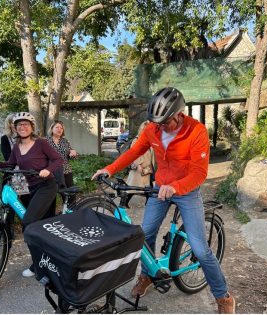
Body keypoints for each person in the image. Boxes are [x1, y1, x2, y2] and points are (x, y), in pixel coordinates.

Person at [92, 87, 235, 314]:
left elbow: (199, 173)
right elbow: (133, 152)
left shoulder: (196, 131)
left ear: (179, 114)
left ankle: (223, 297)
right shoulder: (153, 128)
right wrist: (109, 169)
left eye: (164, 122)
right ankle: (147, 277)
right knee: (145, 235)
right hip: (160, 188)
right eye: (156, 123)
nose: (159, 127)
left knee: (199, 247)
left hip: (187, 191)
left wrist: (176, 187)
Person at [0, 112, 63, 277]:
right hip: (29, 189)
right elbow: (10, 164)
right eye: (19, 125)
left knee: (28, 222)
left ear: (32, 127)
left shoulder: (41, 143)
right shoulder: (16, 146)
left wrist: (47, 170)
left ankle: (38, 265)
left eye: (26, 124)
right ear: (15, 128)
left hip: (46, 186)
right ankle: (43, 259)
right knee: (37, 225)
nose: (22, 127)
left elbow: (58, 160)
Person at [47, 120, 78, 206]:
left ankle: (72, 213)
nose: (59, 129)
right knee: (51, 196)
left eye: (61, 128)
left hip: (66, 171)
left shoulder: (65, 141)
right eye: (57, 127)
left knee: (70, 195)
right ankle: (51, 217)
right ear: (52, 128)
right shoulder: (45, 141)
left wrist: (73, 153)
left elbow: (71, 154)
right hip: (51, 173)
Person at [125, 120, 154, 206]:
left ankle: (148, 203)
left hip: (148, 167)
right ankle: (124, 202)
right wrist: (138, 164)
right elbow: (133, 154)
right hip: (140, 167)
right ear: (142, 129)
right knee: (133, 187)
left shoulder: (149, 140)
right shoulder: (136, 140)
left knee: (148, 186)